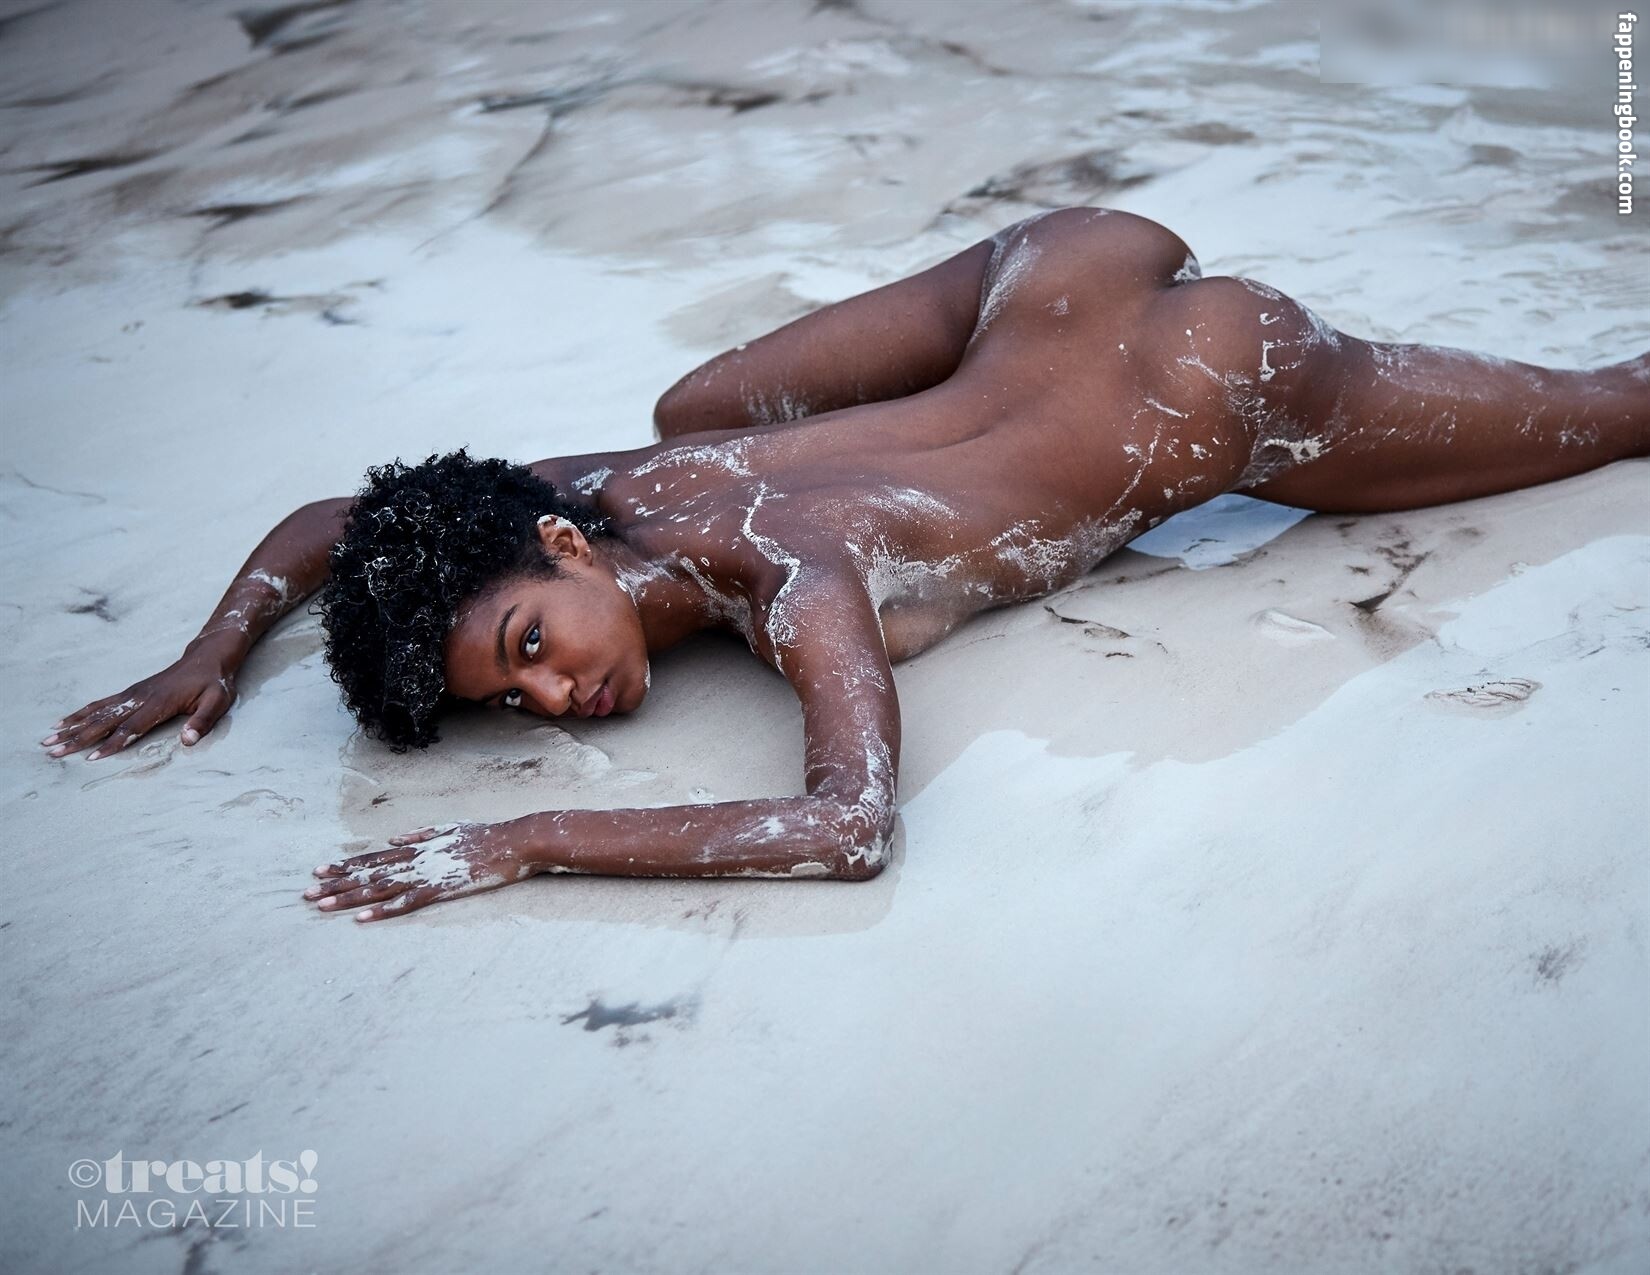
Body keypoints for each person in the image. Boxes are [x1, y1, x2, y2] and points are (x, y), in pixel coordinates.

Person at [39, 208, 1649, 921]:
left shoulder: (786, 573)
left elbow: (846, 827)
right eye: (512, 706)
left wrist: (526, 839)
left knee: (1620, 409)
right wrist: (213, 650)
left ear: (558, 548)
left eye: (530, 643)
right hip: (1049, 265)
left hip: (1219, 378)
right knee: (695, 410)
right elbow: (340, 520)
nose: (557, 696)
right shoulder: (592, 495)